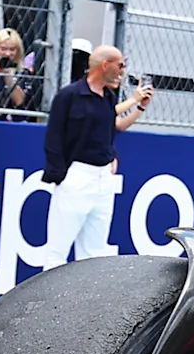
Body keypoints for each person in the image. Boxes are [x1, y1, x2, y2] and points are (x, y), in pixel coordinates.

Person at [43, 43, 151, 261]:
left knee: (94, 250)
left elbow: (110, 128)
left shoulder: (108, 98)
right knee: (58, 247)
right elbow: (53, 137)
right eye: (120, 65)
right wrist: (61, 175)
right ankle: (49, 296)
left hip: (102, 178)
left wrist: (111, 155)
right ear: (105, 65)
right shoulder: (70, 96)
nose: (122, 70)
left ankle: (87, 295)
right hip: (77, 175)